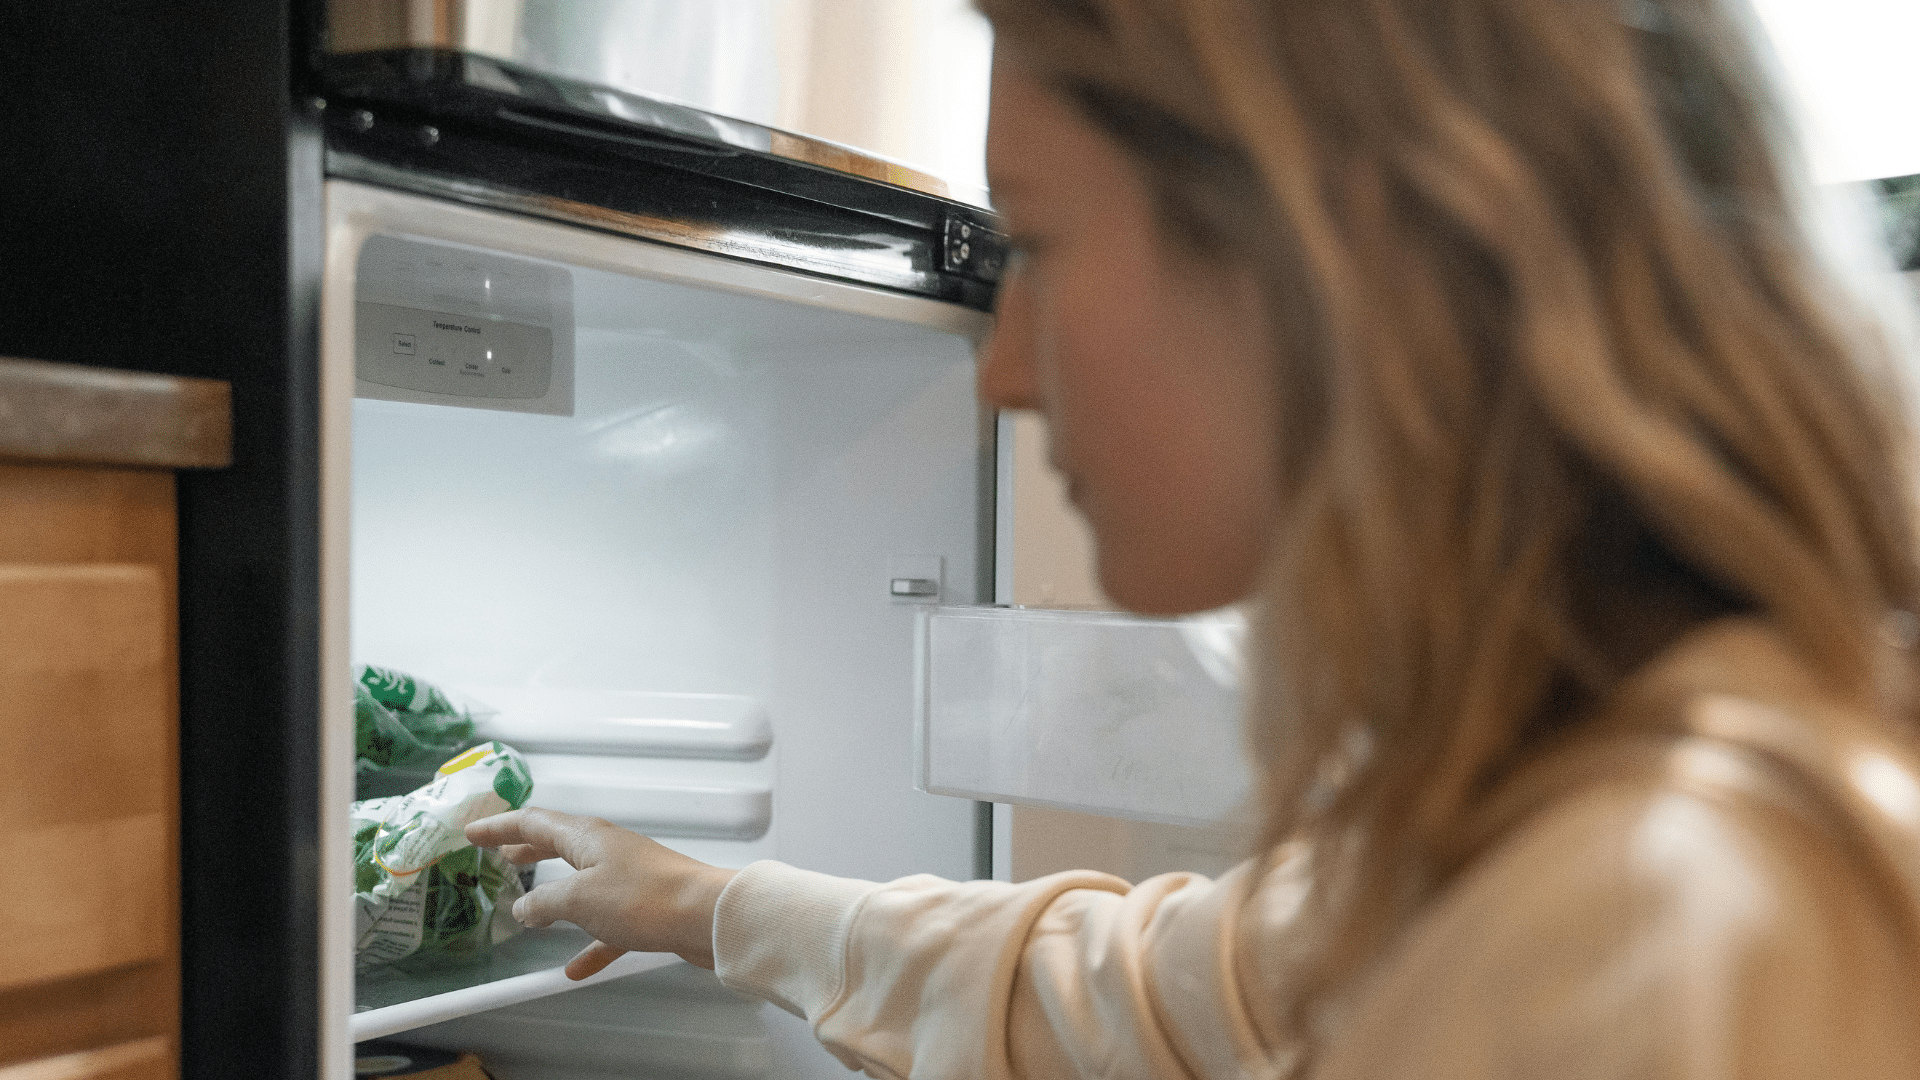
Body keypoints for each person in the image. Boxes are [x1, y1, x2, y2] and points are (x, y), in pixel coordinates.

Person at [468, 0, 1920, 1075]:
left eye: (1041, 241)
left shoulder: (1649, 922)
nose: (1000, 371)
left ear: (1326, 261)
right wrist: (709, 904)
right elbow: (1160, 990)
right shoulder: (1577, 806)